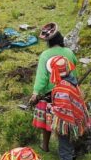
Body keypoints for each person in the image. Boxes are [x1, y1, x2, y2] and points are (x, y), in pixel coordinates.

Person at [35, 54, 91, 160]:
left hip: (66, 123)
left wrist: (51, 108)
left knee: (64, 149)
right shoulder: (71, 81)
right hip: (74, 119)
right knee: (65, 147)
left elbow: (62, 109)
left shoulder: (62, 88)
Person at [29, 23, 79, 153]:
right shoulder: (69, 52)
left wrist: (36, 93)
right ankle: (69, 147)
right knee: (67, 120)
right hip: (68, 91)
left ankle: (45, 146)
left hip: (51, 94)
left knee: (47, 121)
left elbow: (42, 77)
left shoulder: (45, 55)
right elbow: (73, 68)